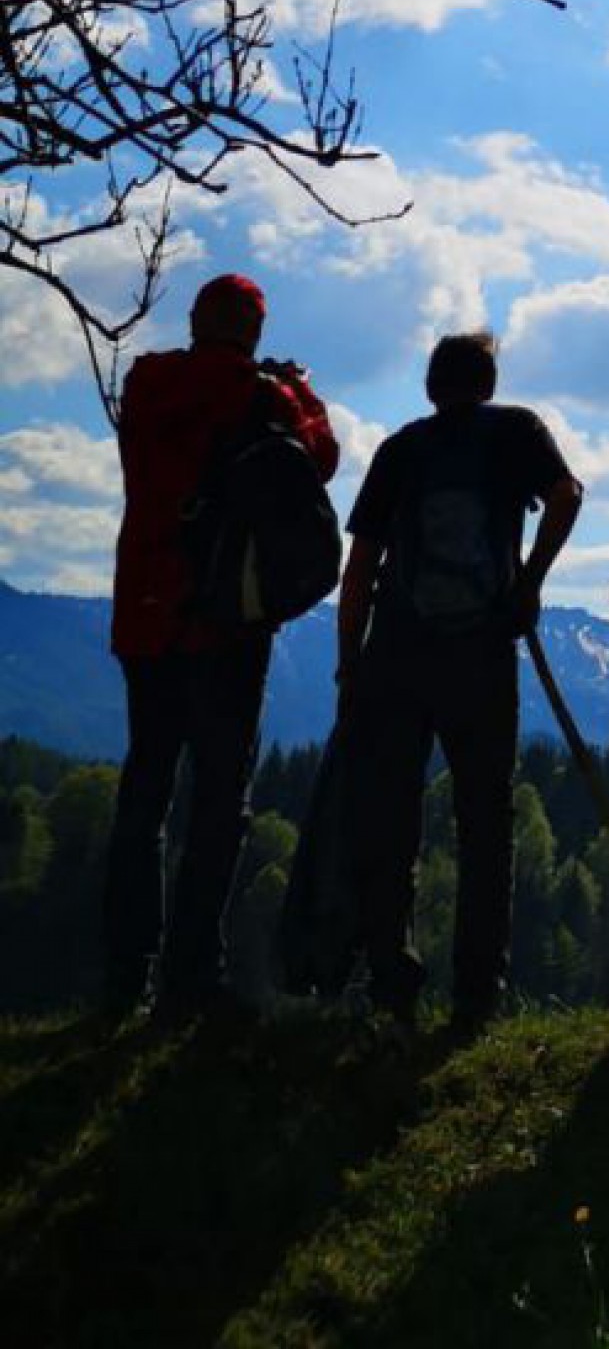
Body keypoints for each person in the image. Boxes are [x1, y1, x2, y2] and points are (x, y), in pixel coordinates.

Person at [103, 273, 338, 1018]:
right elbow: (318, 458)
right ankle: (192, 976)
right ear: (255, 332)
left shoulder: (147, 384)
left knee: (145, 793)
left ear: (197, 319)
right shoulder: (262, 397)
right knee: (218, 799)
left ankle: (124, 974)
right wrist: (300, 390)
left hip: (143, 615)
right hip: (224, 623)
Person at [337, 330, 582, 1026]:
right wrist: (527, 583)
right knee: (485, 820)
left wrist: (349, 660)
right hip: (481, 650)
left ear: (430, 384)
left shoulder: (400, 449)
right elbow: (566, 496)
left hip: (398, 651)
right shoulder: (516, 433)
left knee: (392, 816)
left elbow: (361, 566)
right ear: (489, 380)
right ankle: (478, 993)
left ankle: (392, 981)